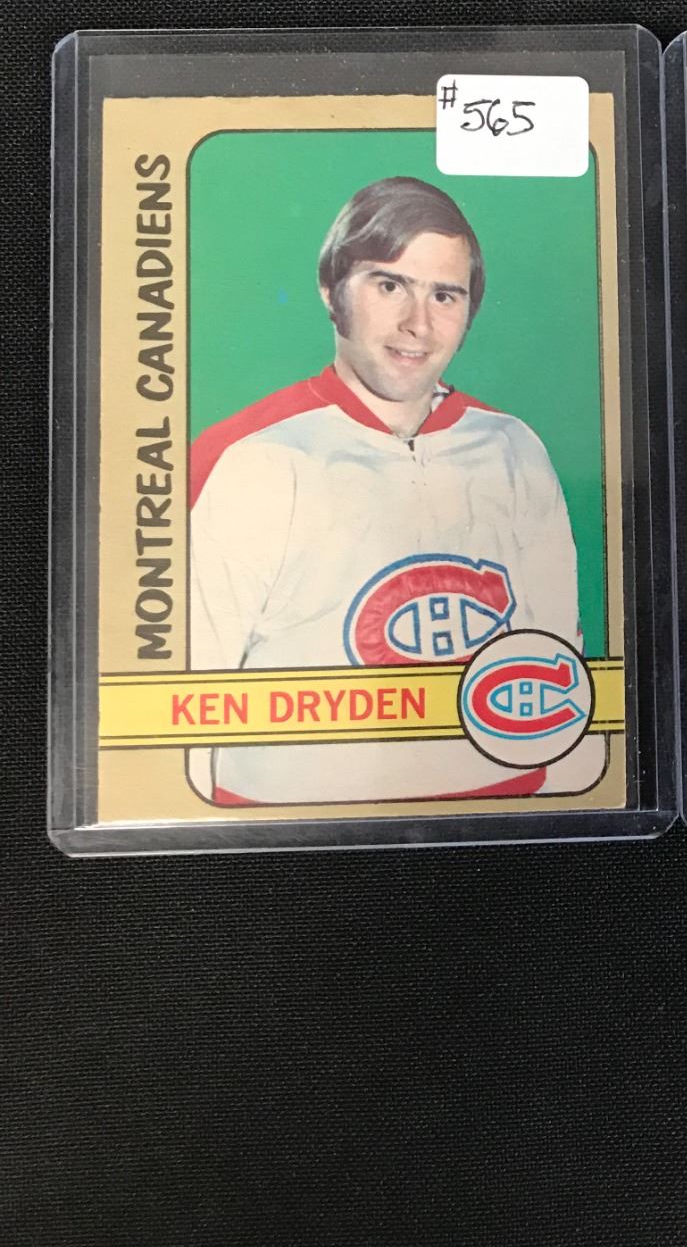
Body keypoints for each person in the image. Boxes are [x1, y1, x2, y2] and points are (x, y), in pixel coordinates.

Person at [186, 175, 603, 806]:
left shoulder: (513, 447)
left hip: (502, 813)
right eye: (390, 285)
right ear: (331, 289)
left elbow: (560, 669)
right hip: (296, 828)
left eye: (444, 295)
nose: (418, 325)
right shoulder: (249, 457)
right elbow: (185, 702)